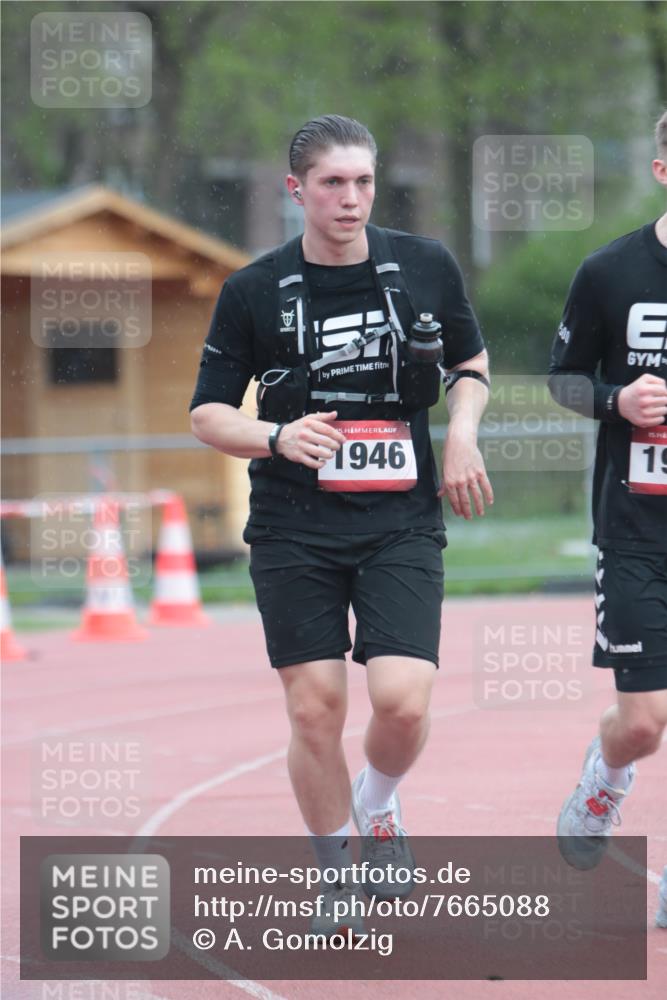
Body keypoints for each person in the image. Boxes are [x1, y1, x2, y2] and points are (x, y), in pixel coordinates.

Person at [190, 115, 492, 934]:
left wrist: (460, 435)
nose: (350, 199)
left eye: (362, 181)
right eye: (331, 183)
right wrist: (278, 436)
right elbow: (208, 415)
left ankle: (379, 805)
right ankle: (334, 876)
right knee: (315, 707)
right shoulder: (252, 289)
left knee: (399, 701)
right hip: (293, 523)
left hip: (398, 517)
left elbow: (469, 364)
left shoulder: (424, 265)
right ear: (297, 191)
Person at [549, 110, 667, 873]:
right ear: (661, 171)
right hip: (633, 533)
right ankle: (605, 777)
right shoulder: (608, 272)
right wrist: (615, 401)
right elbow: (561, 378)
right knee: (645, 720)